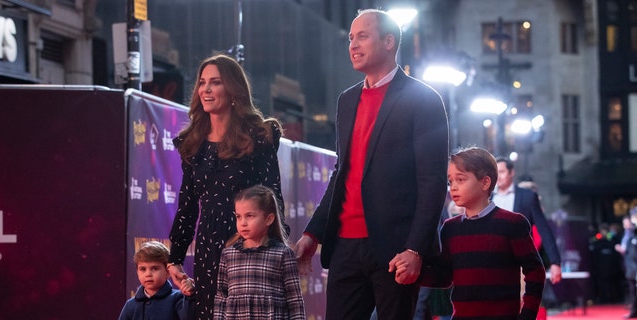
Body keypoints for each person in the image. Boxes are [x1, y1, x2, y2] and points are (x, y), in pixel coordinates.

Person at [293, 8, 449, 319]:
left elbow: (432, 181)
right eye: (350, 38)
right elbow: (343, 172)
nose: (352, 45)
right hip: (344, 247)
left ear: (389, 41)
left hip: (396, 249)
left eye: (362, 36)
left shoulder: (424, 98)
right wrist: (313, 234)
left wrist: (415, 249)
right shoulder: (346, 100)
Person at [167, 54, 287, 319]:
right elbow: (187, 205)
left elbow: (273, 196)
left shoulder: (258, 136)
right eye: (202, 83)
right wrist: (174, 258)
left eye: (216, 82)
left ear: (233, 90)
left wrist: (279, 250)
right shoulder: (192, 143)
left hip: (250, 245)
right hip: (209, 247)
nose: (206, 90)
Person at [418, 147, 546, 320]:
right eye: (450, 181)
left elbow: (535, 271)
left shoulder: (512, 223)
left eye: (460, 179)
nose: (453, 187)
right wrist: (414, 274)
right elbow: (445, 277)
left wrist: (528, 314)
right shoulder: (450, 228)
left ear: (485, 183)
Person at [214, 185, 305, 319]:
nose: (243, 223)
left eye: (250, 216)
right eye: (238, 217)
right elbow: (221, 297)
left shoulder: (283, 254)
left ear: (269, 219)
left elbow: (294, 299)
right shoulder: (229, 254)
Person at [493, 157, 563, 284]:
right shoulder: (486, 197)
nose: (498, 176)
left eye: (502, 172)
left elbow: (544, 230)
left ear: (511, 172)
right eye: (495, 172)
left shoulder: (527, 197)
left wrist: (555, 262)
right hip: (491, 263)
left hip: (519, 262)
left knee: (520, 302)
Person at [119, 241, 195, 320]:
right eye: (143, 269)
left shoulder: (178, 298)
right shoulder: (130, 305)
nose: (148, 274)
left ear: (168, 272)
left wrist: (190, 296)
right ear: (137, 272)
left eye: (155, 268)